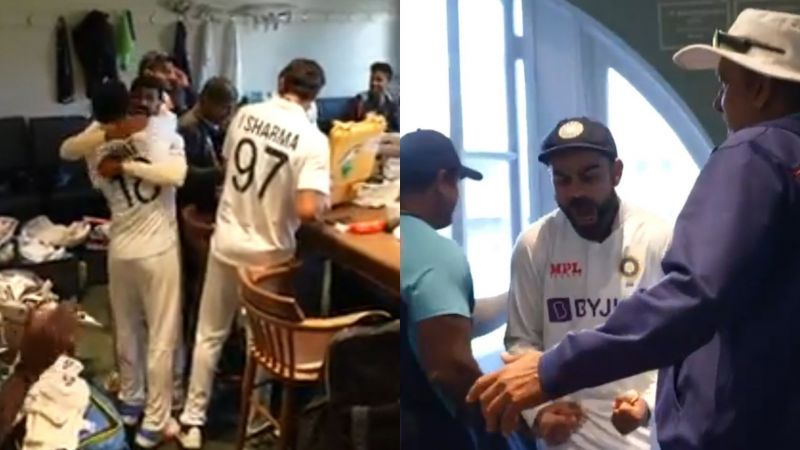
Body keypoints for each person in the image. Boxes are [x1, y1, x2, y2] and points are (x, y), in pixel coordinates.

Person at [467, 8, 800, 450]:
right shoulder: (535, 243)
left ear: (759, 88)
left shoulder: (755, 153)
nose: (718, 103)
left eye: (726, 84)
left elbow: (692, 297)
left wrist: (552, 369)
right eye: (562, 179)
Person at [176, 58, 331, 449]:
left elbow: (230, 167)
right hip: (266, 257)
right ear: (314, 96)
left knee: (209, 334)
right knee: (259, 344)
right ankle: (256, 425)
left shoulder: (244, 114)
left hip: (227, 242)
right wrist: (327, 199)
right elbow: (309, 210)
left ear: (281, 82)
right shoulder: (312, 139)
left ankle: (192, 423)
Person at [505, 117, 671, 449]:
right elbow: (521, 344)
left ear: (616, 173)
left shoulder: (656, 237)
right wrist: (537, 413)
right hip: (563, 438)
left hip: (637, 439)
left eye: (589, 176)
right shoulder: (534, 244)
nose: (576, 191)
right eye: (562, 180)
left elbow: (674, 344)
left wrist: (647, 405)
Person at [401, 129, 528, 450]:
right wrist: (505, 425)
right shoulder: (436, 253)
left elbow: (448, 317)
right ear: (443, 180)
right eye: (456, 183)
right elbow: (450, 368)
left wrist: (523, 296)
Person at [88, 79, 187, 448]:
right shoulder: (163, 138)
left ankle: (131, 402)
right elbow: (177, 176)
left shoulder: (96, 148)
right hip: (157, 251)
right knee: (162, 337)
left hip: (121, 250)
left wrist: (125, 165)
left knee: (127, 329)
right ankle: (154, 419)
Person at [177, 76, 239, 214]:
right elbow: (184, 173)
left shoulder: (212, 125)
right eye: (224, 107)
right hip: (191, 206)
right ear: (205, 101)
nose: (229, 114)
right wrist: (219, 172)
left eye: (232, 108)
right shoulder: (188, 128)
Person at [139, 51, 196, 116]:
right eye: (165, 71)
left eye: (173, 72)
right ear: (148, 73)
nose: (173, 77)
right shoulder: (141, 102)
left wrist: (187, 88)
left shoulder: (177, 97)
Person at [349, 62, 399, 132]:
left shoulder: (392, 104)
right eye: (372, 79)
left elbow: (396, 130)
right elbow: (349, 127)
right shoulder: (359, 101)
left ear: (388, 82)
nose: (373, 83)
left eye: (379, 80)